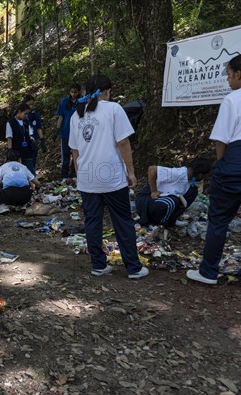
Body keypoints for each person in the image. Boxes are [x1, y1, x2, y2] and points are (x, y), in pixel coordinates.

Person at [69, 74, 148, 279]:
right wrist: (130, 171)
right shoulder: (113, 109)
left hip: (87, 177)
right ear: (106, 91)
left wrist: (81, 176)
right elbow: (123, 143)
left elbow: (75, 152)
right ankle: (133, 267)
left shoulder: (76, 114)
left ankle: (98, 264)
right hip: (111, 175)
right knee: (122, 220)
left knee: (93, 221)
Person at [187, 53, 241, 288]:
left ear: (239, 74)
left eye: (228, 74)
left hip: (236, 161)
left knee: (218, 220)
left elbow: (221, 141)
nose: (227, 80)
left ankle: (208, 271)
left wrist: (223, 166)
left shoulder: (233, 99)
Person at [136, 158, 213, 227]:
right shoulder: (179, 173)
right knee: (172, 202)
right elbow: (152, 169)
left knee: (191, 193)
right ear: (200, 175)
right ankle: (160, 224)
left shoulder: (192, 179)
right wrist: (154, 191)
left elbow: (194, 186)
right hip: (147, 198)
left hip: (164, 197)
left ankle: (171, 221)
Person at [0, 149, 39, 215]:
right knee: (25, 190)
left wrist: (1, 190)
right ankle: (22, 205)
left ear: (6, 158)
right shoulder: (23, 167)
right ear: (19, 158)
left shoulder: (3, 167)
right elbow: (37, 183)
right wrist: (35, 189)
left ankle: (1, 208)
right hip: (25, 196)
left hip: (9, 196)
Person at [56, 83, 81, 180]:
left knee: (77, 156)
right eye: (72, 92)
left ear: (78, 92)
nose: (73, 94)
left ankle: (75, 175)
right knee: (65, 156)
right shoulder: (64, 102)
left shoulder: (81, 102)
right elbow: (61, 116)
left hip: (78, 133)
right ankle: (64, 177)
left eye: (75, 92)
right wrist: (57, 130)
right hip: (66, 133)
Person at [6, 102, 37, 175]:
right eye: (25, 114)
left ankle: (32, 185)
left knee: (30, 171)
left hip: (27, 150)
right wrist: (10, 150)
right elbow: (9, 137)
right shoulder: (10, 122)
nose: (26, 116)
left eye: (27, 114)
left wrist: (32, 140)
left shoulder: (26, 122)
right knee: (18, 172)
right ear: (19, 112)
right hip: (17, 151)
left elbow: (30, 133)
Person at [24, 94, 46, 172]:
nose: (31, 106)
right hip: (24, 141)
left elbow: (38, 128)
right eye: (29, 104)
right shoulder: (20, 114)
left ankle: (32, 179)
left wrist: (42, 140)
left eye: (33, 104)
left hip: (33, 141)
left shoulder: (35, 115)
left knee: (32, 161)